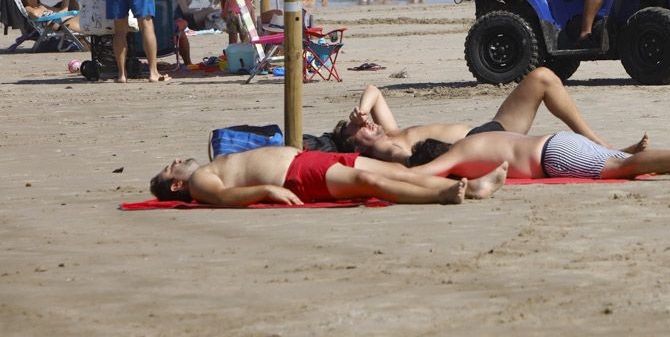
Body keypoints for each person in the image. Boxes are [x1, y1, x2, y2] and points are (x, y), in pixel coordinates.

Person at [331, 67, 648, 165]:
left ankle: (605, 146)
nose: (367, 123)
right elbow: (405, 160)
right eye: (357, 130)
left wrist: (360, 111)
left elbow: (373, 89)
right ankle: (612, 156)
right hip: (478, 145)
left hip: (489, 128)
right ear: (355, 147)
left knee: (542, 77)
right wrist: (369, 145)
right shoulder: (384, 150)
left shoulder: (390, 130)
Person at [148, 147, 508, 206]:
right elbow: (223, 198)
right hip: (296, 175)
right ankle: (443, 195)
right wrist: (267, 190)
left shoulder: (206, 167)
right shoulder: (198, 183)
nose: (177, 160)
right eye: (171, 167)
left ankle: (472, 186)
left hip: (307, 159)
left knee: (397, 171)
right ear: (177, 184)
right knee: (374, 185)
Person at [405, 130, 670, 182]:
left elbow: (425, 174)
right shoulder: (475, 139)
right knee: (628, 163)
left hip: (552, 157)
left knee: (625, 167)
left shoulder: (457, 154)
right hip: (557, 140)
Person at [154, 0, 215, 65]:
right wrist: (205, 10)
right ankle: (188, 63)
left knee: (182, 28)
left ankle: (188, 63)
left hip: (159, 27)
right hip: (168, 28)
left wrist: (187, 1)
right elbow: (186, 12)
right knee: (208, 11)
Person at [13, 0, 87, 38]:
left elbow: (63, 11)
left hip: (66, 21)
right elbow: (36, 15)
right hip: (62, 25)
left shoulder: (41, 6)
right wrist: (42, 8)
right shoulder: (27, 8)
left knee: (91, 20)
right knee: (92, 24)